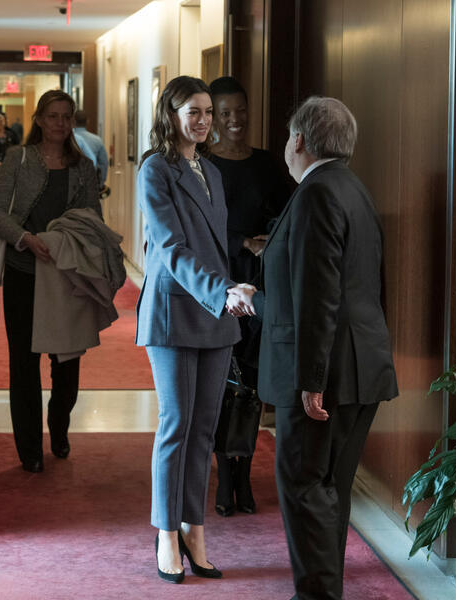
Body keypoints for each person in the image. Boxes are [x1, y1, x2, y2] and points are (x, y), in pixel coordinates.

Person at [252, 96, 397, 600]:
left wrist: (312, 381)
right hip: (361, 366)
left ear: (298, 140)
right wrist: (261, 298)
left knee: (305, 487)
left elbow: (319, 295)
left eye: (287, 138)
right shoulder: (353, 188)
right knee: (328, 489)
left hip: (324, 373)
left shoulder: (315, 193)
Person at [136, 75, 255, 584]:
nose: (204, 120)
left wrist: (233, 287)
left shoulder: (210, 170)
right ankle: (166, 532)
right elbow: (170, 248)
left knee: (204, 429)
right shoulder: (155, 168)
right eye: (194, 112)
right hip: (174, 311)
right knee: (177, 424)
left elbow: (214, 246)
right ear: (171, 114)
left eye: (208, 112)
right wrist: (220, 291)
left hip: (215, 309)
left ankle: (193, 527)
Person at [0, 90, 102, 473]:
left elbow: (93, 218)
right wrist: (25, 239)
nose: (60, 123)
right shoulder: (18, 159)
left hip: (66, 275)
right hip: (24, 272)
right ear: (39, 119)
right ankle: (30, 450)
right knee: (24, 363)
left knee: (67, 364)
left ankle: (59, 423)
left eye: (66, 116)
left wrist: (72, 239)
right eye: (53, 116)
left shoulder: (83, 167)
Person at [205, 76, 292, 517]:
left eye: (240, 110)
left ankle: (244, 474)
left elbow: (290, 215)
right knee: (223, 379)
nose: (235, 119)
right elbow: (196, 228)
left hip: (259, 284)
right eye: (225, 113)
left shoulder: (266, 164)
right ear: (212, 118)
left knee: (253, 382)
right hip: (216, 283)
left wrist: (268, 241)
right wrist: (241, 241)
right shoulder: (202, 164)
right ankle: (224, 473)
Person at [72, 108, 109, 185]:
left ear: (73, 121)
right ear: (87, 121)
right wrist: (101, 182)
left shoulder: (69, 139)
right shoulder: (97, 140)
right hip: (91, 180)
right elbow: (103, 163)